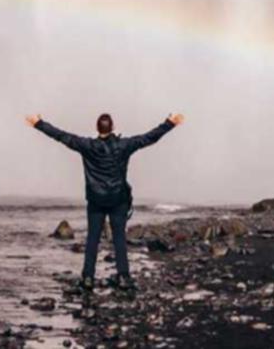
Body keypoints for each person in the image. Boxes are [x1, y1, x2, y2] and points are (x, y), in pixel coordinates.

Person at [25, 110, 184, 292]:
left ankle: (88, 279)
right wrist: (170, 123)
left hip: (96, 200)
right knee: (119, 239)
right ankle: (123, 277)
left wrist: (38, 123)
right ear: (113, 127)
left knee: (92, 239)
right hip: (118, 199)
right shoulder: (124, 145)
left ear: (96, 128)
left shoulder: (87, 145)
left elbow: (61, 136)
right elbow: (149, 138)